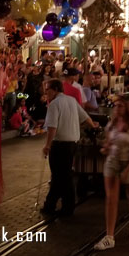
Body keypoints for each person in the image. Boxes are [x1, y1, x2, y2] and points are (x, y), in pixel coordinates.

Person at [94, 95, 129, 251]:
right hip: (113, 161)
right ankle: (110, 236)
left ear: (128, 107)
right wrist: (106, 147)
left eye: (121, 106)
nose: (117, 108)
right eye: (116, 105)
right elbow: (108, 142)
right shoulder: (112, 124)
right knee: (111, 198)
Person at [41, 79, 97, 216]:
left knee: (61, 176)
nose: (45, 92)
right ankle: (54, 204)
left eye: (47, 89)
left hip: (59, 145)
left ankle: (62, 207)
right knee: (63, 175)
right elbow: (85, 118)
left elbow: (52, 127)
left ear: (54, 89)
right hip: (72, 144)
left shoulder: (54, 104)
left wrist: (47, 145)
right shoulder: (71, 100)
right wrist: (93, 127)